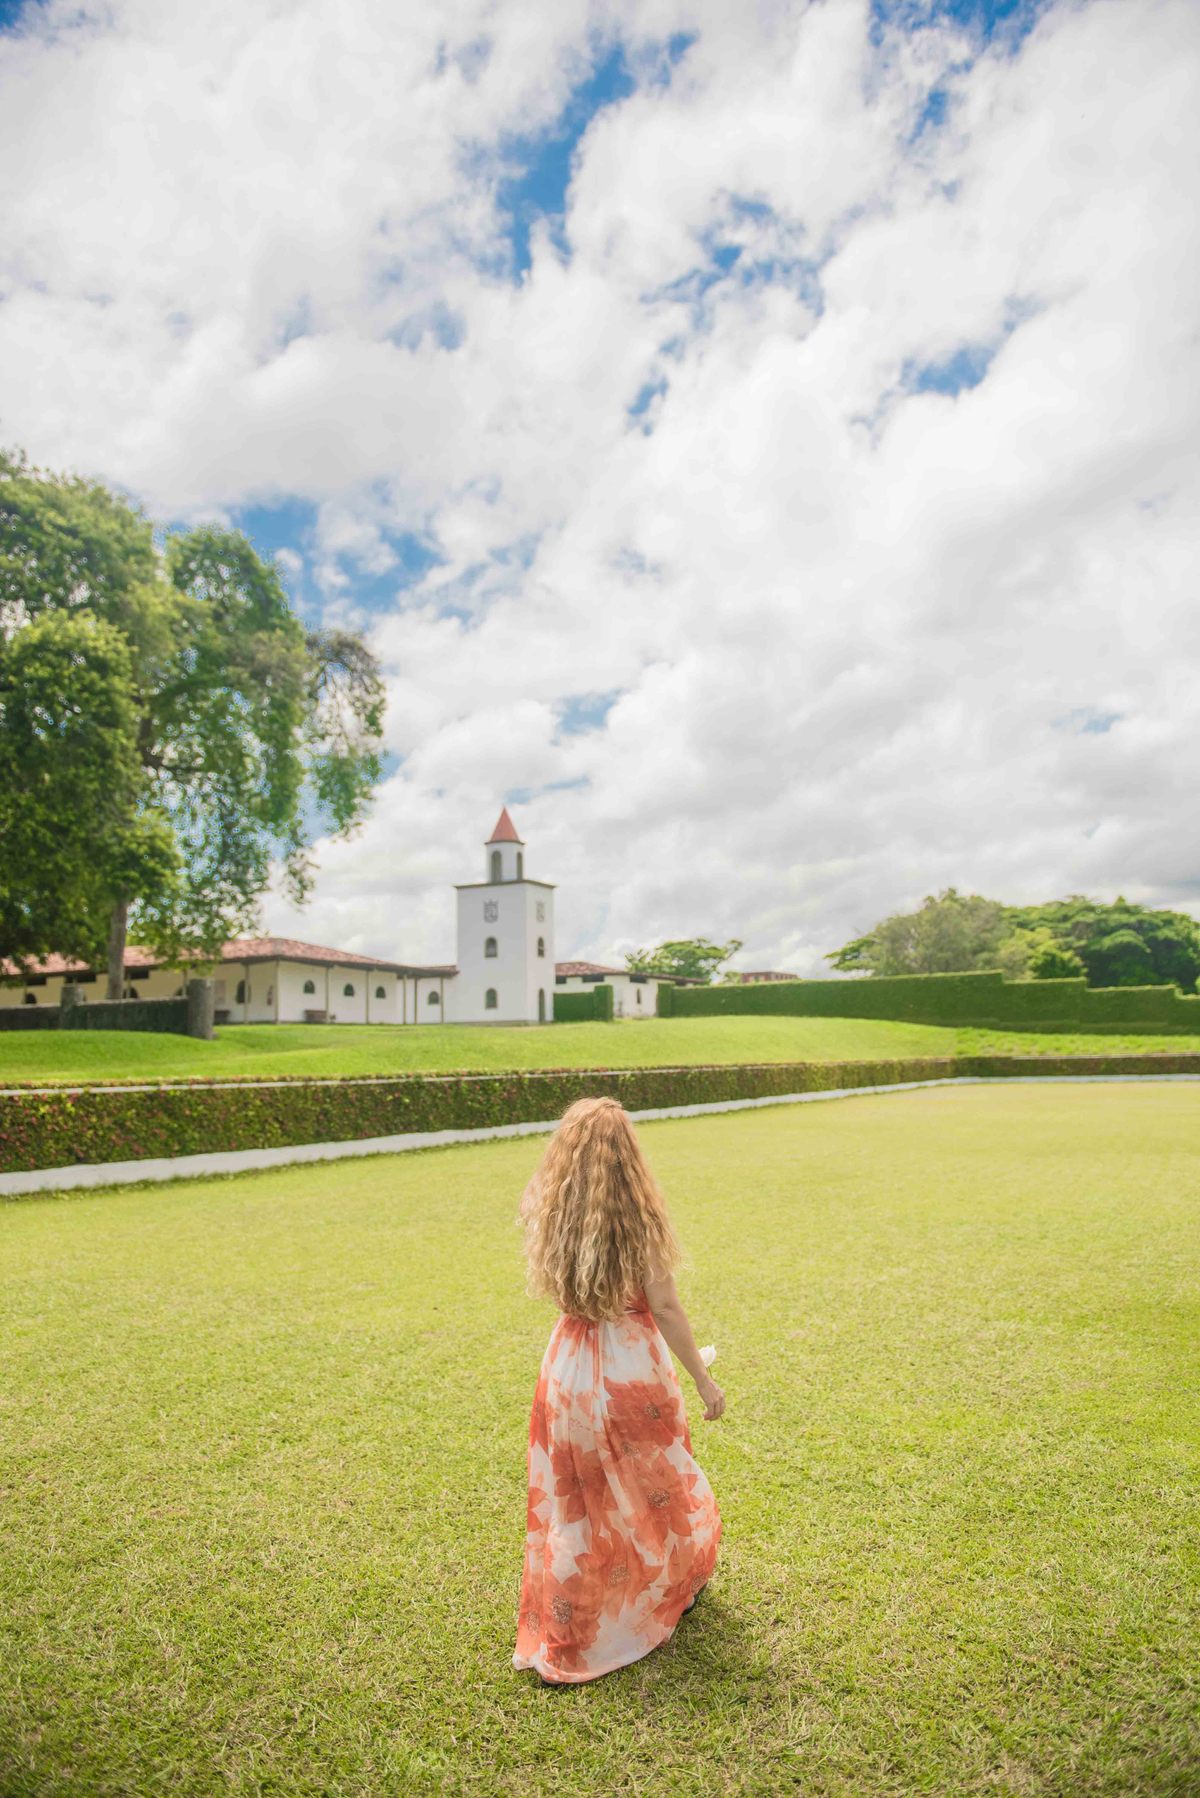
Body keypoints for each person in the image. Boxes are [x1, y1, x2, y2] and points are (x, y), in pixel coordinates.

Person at [512, 1095, 725, 1686]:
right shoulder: (637, 1224)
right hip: (630, 1373)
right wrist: (703, 1378)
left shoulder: (547, 1210)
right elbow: (664, 1306)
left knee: (579, 1505)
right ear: (628, 1158)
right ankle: (653, 1597)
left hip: (568, 1372)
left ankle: (572, 1625)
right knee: (653, 1489)